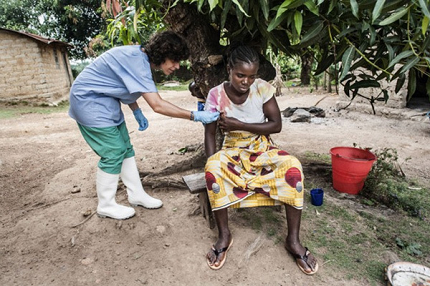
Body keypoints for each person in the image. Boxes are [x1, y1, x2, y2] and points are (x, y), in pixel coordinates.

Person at [69, 30, 219, 220]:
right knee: (114, 152)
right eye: (174, 60)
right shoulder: (138, 63)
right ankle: (106, 204)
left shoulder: (138, 58)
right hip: (88, 102)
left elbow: (122, 83)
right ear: (162, 54)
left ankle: (136, 194)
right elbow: (158, 105)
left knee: (126, 148)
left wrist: (135, 109)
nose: (177, 66)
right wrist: (195, 115)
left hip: (105, 102)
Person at [203, 45, 318, 274]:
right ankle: (224, 235)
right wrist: (210, 163)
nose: (246, 81)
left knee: (292, 167)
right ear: (229, 69)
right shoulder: (216, 95)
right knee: (214, 169)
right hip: (232, 149)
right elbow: (209, 134)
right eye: (240, 75)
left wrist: (240, 124)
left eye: (251, 76)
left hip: (261, 146)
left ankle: (293, 240)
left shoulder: (263, 89)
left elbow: (276, 125)